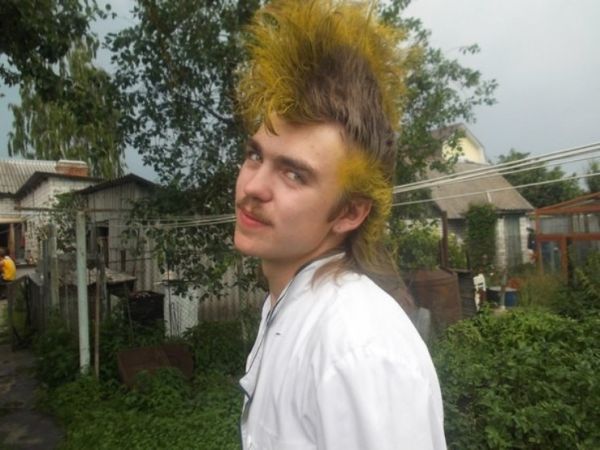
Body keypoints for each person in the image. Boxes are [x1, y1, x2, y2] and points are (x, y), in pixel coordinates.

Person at [234, 1, 446, 449]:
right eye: (255, 155)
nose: (253, 186)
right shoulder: (287, 308)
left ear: (350, 213)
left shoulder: (359, 348)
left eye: (294, 174)